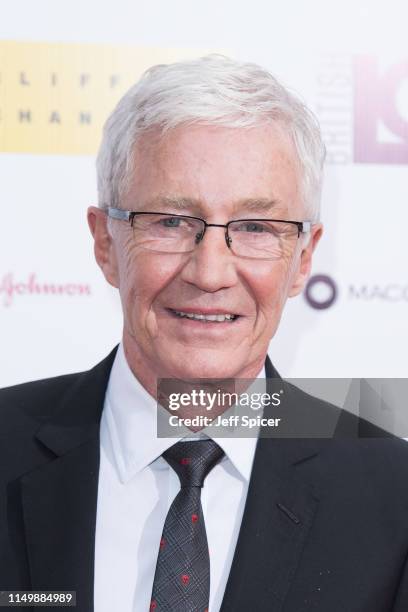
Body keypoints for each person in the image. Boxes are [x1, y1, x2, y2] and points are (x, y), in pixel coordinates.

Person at [1, 55, 408, 612]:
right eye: (171, 222)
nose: (210, 273)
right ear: (105, 245)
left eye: (255, 227)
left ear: (304, 258)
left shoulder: (394, 498)